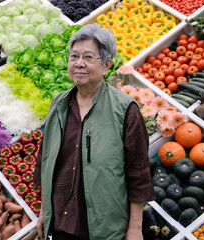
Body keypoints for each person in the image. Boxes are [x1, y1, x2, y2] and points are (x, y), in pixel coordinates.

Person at [33, 23, 155, 240]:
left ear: (106, 65)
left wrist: (135, 229)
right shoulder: (59, 104)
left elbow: (138, 172)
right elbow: (46, 159)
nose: (79, 64)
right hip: (62, 222)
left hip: (104, 227)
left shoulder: (126, 110)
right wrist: (45, 210)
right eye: (74, 57)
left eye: (88, 57)